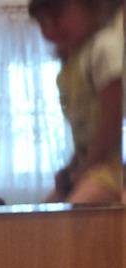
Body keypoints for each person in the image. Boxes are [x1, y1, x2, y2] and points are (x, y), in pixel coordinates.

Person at [29, 0, 123, 204]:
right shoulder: (70, 67)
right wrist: (72, 168)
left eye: (56, 15)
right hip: (94, 165)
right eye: (42, 22)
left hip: (112, 168)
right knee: (40, 215)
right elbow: (86, 135)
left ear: (93, 7)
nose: (49, 29)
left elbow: (111, 121)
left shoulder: (104, 47)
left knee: (67, 217)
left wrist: (86, 168)